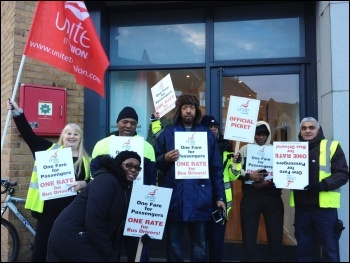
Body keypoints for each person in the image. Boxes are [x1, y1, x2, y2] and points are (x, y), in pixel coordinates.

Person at [6, 99, 91, 262]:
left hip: (71, 213)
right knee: (40, 251)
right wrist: (18, 113)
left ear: (80, 138)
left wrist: (84, 183)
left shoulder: (87, 160)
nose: (72, 136)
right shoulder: (48, 150)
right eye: (68, 133)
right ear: (63, 136)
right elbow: (28, 135)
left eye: (76, 134)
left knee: (66, 252)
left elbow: (94, 184)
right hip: (47, 211)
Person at [154, 94, 226, 262]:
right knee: (173, 243)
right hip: (175, 198)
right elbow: (155, 163)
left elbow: (216, 168)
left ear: (196, 111)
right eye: (184, 107)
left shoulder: (207, 134)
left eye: (191, 108)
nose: (188, 111)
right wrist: (164, 158)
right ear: (179, 110)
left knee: (200, 244)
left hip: (200, 198)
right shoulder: (167, 133)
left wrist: (220, 196)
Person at [46, 150, 142, 262]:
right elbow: (94, 222)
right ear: (119, 164)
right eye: (129, 165)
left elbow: (116, 223)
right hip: (73, 235)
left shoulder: (122, 187)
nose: (133, 170)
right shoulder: (107, 181)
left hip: (80, 235)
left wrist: (142, 235)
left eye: (137, 167)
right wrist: (108, 251)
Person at [90, 106, 157, 262]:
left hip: (137, 206)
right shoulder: (102, 145)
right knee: (111, 248)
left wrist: (150, 205)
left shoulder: (146, 147)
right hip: (110, 205)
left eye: (133, 123)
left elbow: (152, 177)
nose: (128, 126)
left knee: (137, 251)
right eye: (124, 122)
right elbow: (93, 173)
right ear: (117, 123)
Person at [290, 117, 349, 262]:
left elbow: (343, 174)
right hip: (302, 208)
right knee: (303, 250)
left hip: (325, 210)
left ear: (318, 129)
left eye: (311, 127)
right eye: (304, 128)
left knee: (330, 249)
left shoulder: (332, 146)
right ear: (300, 130)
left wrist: (323, 185)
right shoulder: (291, 149)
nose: (308, 131)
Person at [234, 120, 284, 262]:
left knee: (275, 236)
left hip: (272, 198)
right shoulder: (244, 149)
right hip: (251, 197)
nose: (260, 137)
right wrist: (249, 176)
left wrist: (267, 183)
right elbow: (235, 171)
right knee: (248, 237)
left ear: (268, 135)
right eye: (257, 134)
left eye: (263, 134)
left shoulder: (276, 150)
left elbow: (284, 173)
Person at [199, 115, 241, 262]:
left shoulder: (227, 150)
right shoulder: (195, 147)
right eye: (210, 127)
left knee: (217, 243)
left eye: (215, 127)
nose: (213, 130)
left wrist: (236, 164)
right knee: (200, 244)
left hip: (220, 203)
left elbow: (234, 176)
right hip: (200, 203)